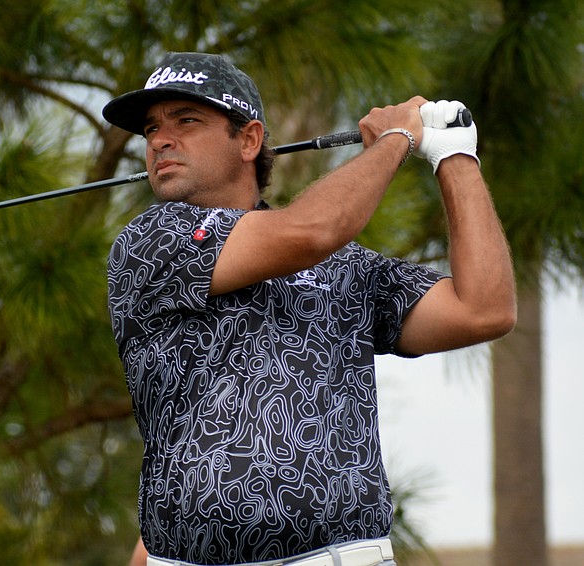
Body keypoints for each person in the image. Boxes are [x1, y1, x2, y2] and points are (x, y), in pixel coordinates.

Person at [103, 52, 516, 566]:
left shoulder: (348, 268)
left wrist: (455, 157)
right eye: (151, 128)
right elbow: (310, 232)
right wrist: (396, 140)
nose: (161, 139)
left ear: (249, 140)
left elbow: (483, 310)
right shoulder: (150, 242)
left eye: (187, 120)